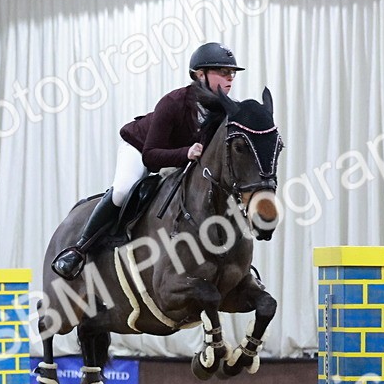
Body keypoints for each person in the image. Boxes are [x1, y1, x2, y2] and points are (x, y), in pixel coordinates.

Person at [51, 41, 243, 279]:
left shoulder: (226, 111)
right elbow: (151, 158)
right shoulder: (173, 102)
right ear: (199, 74)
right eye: (223, 72)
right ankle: (79, 249)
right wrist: (186, 153)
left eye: (232, 72)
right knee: (122, 191)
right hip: (141, 147)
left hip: (180, 157)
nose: (230, 77)